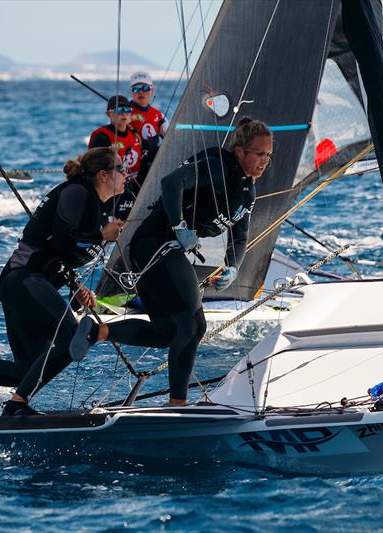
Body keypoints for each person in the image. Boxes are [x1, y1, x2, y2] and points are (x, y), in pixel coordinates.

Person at [71, 117, 273, 406]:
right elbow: (172, 182)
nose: (264, 160)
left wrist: (233, 266)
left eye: (268, 155)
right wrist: (179, 226)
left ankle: (97, 331)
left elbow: (240, 235)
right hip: (154, 244)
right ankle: (178, 403)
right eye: (259, 153)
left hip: (162, 253)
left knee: (170, 331)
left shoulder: (246, 191)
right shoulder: (218, 166)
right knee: (194, 325)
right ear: (240, 152)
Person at [0, 148, 127, 416]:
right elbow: (61, 239)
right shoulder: (77, 193)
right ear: (103, 175)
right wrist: (101, 234)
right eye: (121, 169)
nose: (127, 174)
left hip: (30, 285)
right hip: (22, 280)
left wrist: (76, 286)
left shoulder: (98, 207)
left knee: (26, 371)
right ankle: (16, 405)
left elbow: (59, 255)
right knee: (74, 339)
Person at [88, 95, 142, 178]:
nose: (124, 113)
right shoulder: (102, 137)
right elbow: (94, 169)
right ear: (109, 114)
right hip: (114, 186)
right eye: (119, 110)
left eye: (127, 110)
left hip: (137, 183)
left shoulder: (134, 134)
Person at [128, 71, 167, 183]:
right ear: (131, 92)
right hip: (130, 172)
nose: (140, 92)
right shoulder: (124, 112)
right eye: (136, 89)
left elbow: (170, 138)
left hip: (150, 168)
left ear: (152, 90)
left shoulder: (158, 115)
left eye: (144, 88)